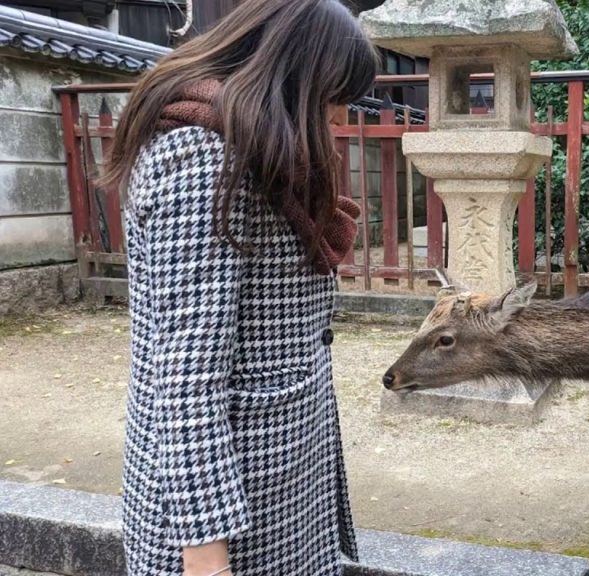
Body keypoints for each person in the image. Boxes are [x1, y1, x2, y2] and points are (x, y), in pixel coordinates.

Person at [101, 1, 378, 574]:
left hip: (277, 480)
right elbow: (186, 380)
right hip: (231, 512)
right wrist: (207, 557)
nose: (338, 115)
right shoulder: (202, 162)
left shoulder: (256, 152)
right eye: (334, 96)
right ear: (293, 76)